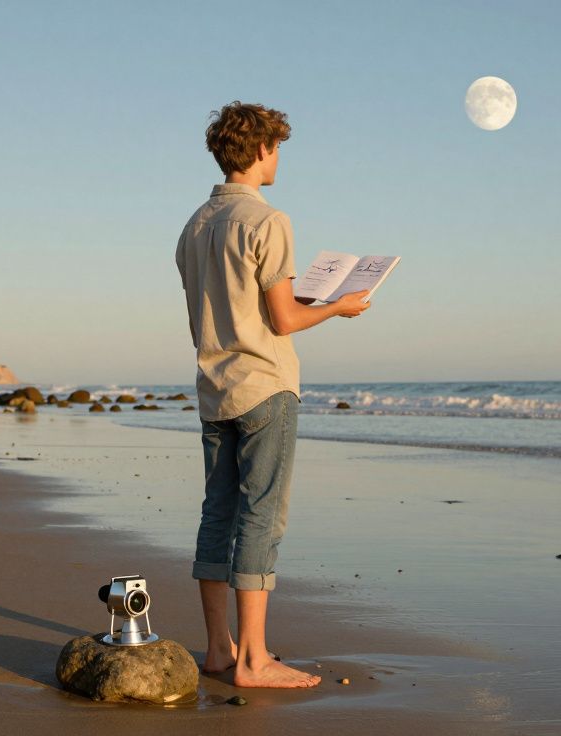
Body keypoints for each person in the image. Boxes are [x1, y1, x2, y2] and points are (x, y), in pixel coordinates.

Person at [175, 101, 371, 688]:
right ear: (261, 150)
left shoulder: (194, 224)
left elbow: (243, 305)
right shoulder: (268, 220)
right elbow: (282, 321)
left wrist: (302, 304)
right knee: (261, 520)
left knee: (218, 515)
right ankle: (254, 661)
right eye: (277, 147)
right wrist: (338, 306)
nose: (278, 156)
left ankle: (218, 651)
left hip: (215, 386)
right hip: (264, 385)